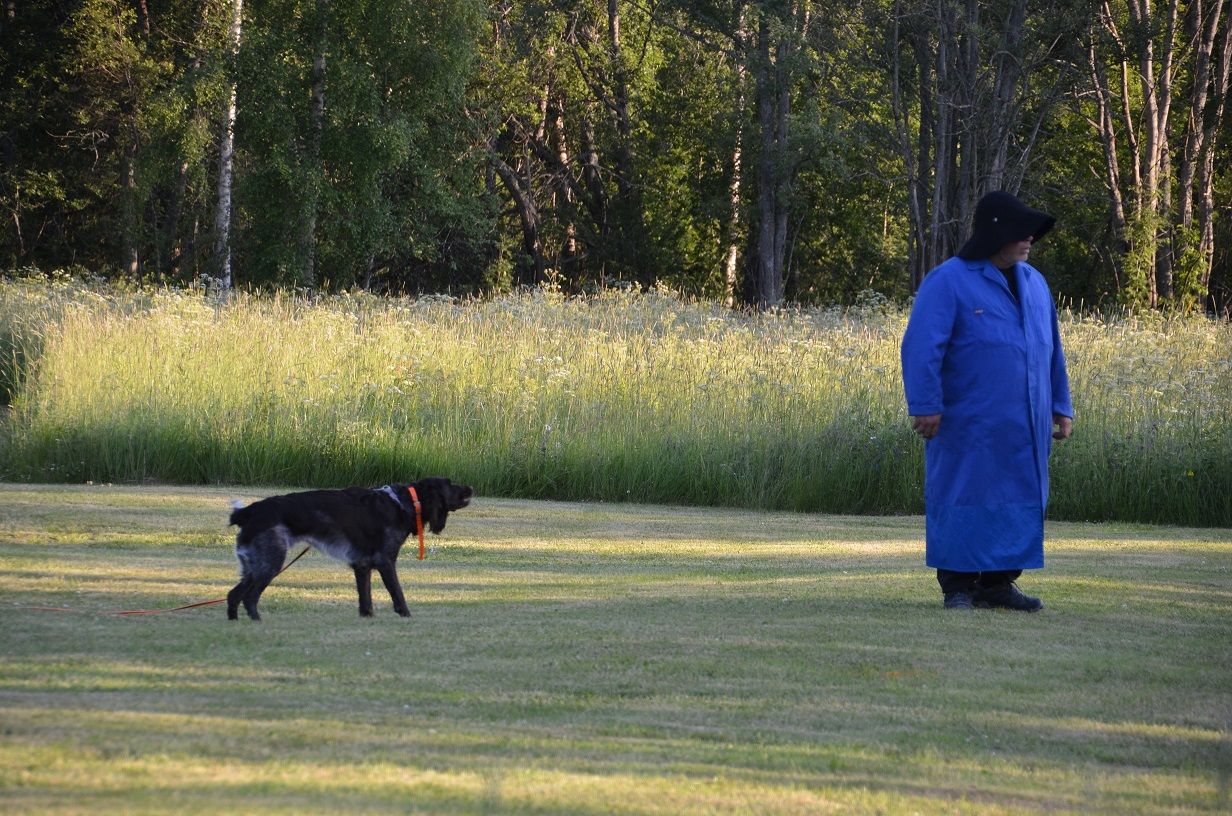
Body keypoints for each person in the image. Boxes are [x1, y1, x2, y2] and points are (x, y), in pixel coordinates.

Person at [900, 191, 1074, 611]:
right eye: (1021, 231)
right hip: (967, 420)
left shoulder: (1036, 284)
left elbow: (1052, 349)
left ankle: (998, 584)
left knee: (1017, 497)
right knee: (963, 496)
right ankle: (958, 587)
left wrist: (1061, 405)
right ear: (997, 233)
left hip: (1024, 424)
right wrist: (925, 404)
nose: (1030, 238)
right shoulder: (949, 280)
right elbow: (921, 347)